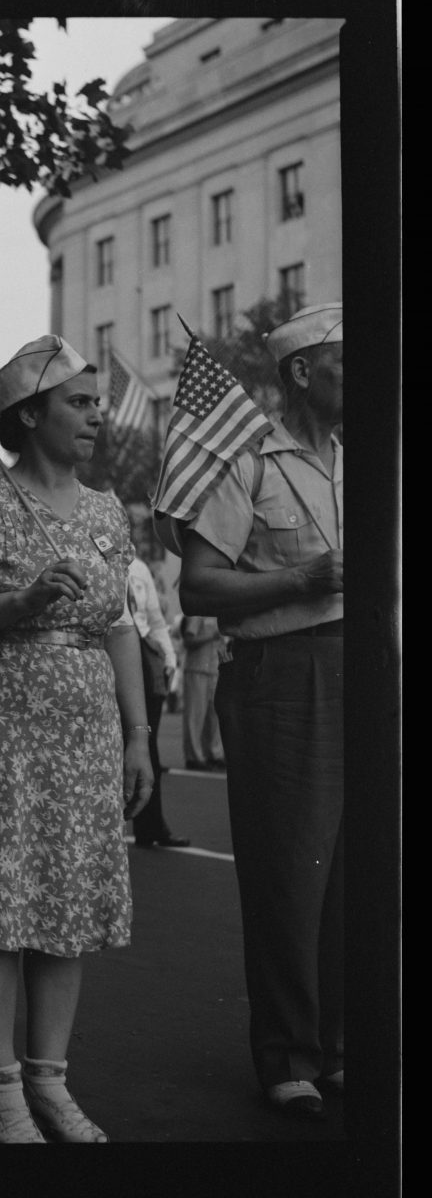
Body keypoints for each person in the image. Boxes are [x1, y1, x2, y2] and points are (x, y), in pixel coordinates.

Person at [0, 335, 154, 1144]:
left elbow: (118, 625)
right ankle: (0, 1086)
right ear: (29, 415)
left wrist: (138, 734)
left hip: (85, 724)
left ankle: (50, 1082)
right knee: (1, 907)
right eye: (79, 403)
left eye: (95, 403)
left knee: (66, 905)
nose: (95, 416)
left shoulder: (106, 511)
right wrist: (17, 604)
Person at [179, 301, 343, 1121]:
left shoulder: (359, 459)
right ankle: (288, 1053)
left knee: (357, 870)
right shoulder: (247, 462)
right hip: (282, 672)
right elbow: (199, 585)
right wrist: (297, 581)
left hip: (364, 671)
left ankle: (339, 1043)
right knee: (290, 873)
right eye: (346, 360)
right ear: (302, 374)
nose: (364, 375)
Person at [127, 552, 189, 848]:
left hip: (142, 656)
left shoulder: (138, 568)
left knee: (147, 746)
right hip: (105, 657)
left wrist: (169, 657)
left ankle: (151, 826)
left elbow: (155, 619)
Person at [180, 616, 226, 770]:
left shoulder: (219, 614)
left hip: (214, 670)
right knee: (195, 716)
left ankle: (214, 753)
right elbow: (188, 641)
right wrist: (210, 637)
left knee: (214, 717)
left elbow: (222, 645)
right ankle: (193, 756)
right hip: (197, 669)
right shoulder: (197, 614)